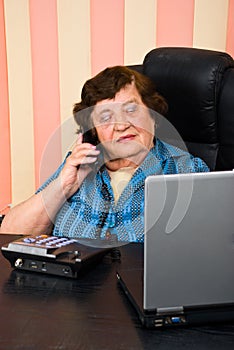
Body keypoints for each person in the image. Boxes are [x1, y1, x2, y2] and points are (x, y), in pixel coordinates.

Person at [0, 66, 209, 243]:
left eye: (131, 110)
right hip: (71, 288)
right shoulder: (78, 166)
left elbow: (207, 249)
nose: (121, 125)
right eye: (106, 117)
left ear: (152, 114)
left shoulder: (186, 170)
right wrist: (64, 185)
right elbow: (10, 235)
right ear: (94, 131)